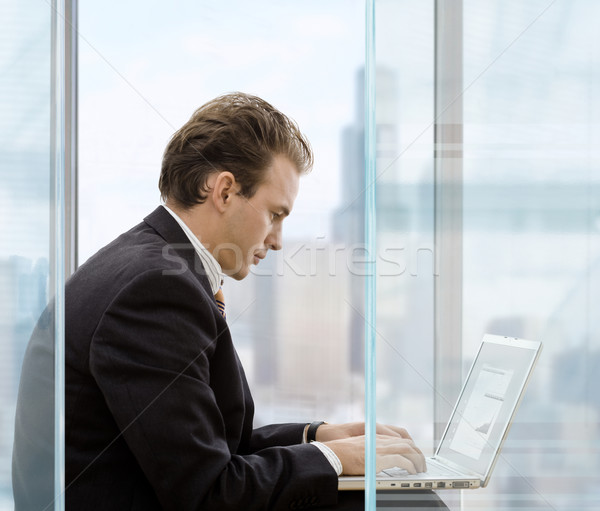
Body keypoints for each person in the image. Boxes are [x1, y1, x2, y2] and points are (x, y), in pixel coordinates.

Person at [13, 93, 448, 510]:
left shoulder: (150, 266)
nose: (277, 240)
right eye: (275, 214)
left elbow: (207, 446)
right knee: (403, 501)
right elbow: (209, 491)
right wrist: (337, 461)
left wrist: (318, 436)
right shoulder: (152, 292)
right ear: (224, 191)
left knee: (393, 496)